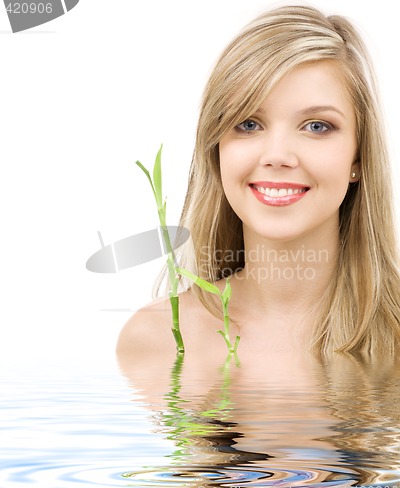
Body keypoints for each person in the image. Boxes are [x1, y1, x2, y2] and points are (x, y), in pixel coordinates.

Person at [117, 5, 400, 362]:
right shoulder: (157, 342)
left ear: (358, 158)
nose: (278, 155)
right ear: (216, 149)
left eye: (317, 126)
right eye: (248, 124)